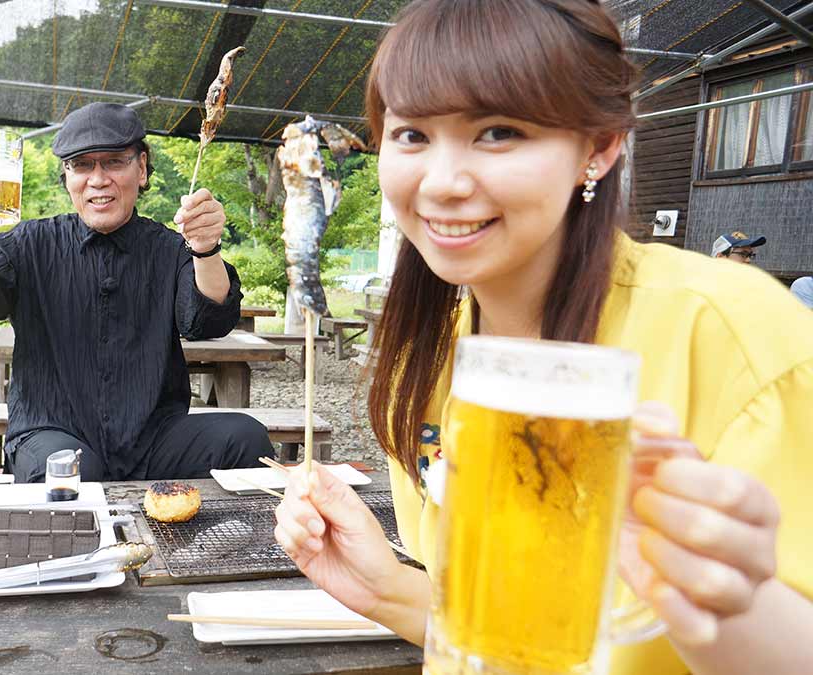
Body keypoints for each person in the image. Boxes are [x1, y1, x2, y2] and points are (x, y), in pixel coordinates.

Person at [273, 2, 813, 674]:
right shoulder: (430, 350)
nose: (443, 183)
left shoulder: (738, 334)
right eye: (412, 134)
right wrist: (383, 588)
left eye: (498, 132)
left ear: (599, 146)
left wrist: (729, 606)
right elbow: (504, 639)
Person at [0, 102, 273, 482]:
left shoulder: (169, 248)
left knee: (245, 437)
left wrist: (206, 247)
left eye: (113, 162)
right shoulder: (30, 245)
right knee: (71, 470)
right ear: (67, 174)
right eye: (82, 165)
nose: (98, 179)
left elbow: (209, 321)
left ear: (141, 169)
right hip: (53, 432)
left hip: (154, 439)